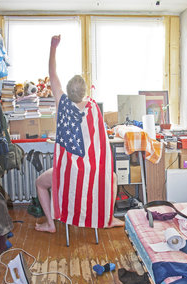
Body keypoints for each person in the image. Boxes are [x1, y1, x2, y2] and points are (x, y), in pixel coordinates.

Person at [35, 35, 123, 233]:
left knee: (40, 183)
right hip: (91, 173)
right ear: (85, 92)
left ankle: (51, 224)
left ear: (66, 91)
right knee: (112, 177)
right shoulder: (93, 108)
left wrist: (53, 47)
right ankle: (108, 218)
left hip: (68, 174)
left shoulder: (62, 104)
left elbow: (52, 73)